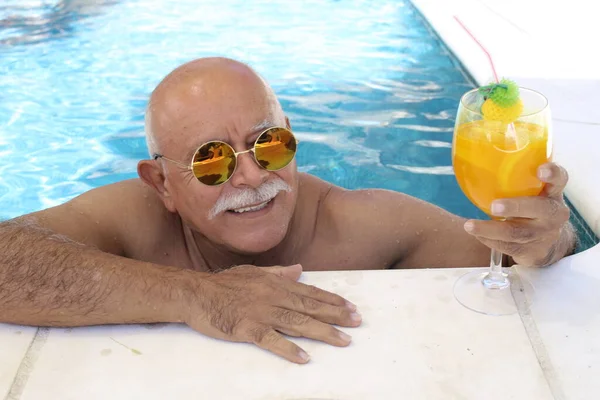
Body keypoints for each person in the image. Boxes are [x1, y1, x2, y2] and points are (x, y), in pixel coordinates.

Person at [0, 57, 576, 364]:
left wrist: (548, 240)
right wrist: (195, 294)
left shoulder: (364, 224)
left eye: (269, 144)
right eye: (211, 162)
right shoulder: (135, 219)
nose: (252, 176)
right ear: (162, 183)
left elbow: (516, 259)